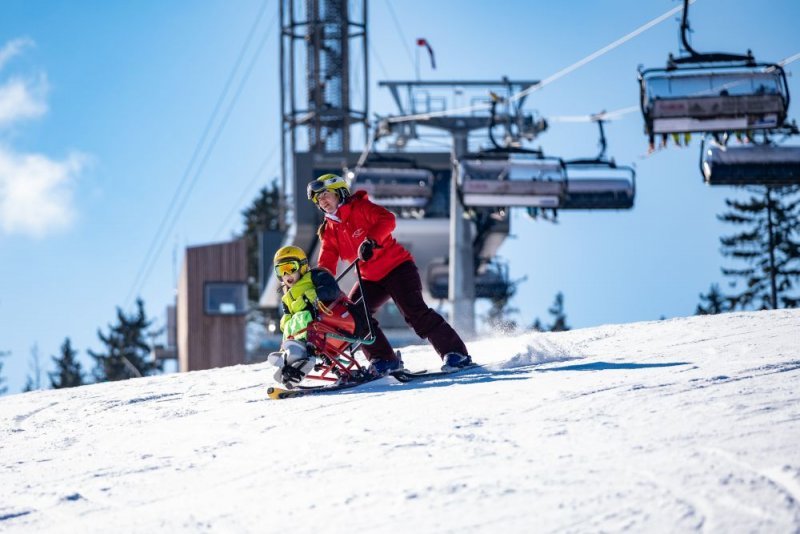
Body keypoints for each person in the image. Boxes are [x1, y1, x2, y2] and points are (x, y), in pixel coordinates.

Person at [307, 173, 472, 374]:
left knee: (414, 313)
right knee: (355, 316)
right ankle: (384, 359)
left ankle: (456, 353)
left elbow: (388, 219)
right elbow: (327, 259)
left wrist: (371, 241)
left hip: (398, 268)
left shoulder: (360, 207)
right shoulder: (329, 229)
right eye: (318, 199)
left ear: (340, 193)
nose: (322, 201)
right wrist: (320, 280)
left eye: (325, 195)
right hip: (370, 278)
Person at [268, 245, 344, 385]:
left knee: (301, 317)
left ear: (302, 266)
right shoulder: (286, 297)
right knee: (286, 322)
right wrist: (284, 342)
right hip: (307, 332)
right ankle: (288, 354)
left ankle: (300, 354)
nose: (286, 274)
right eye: (281, 270)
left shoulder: (315, 276)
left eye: (290, 268)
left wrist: (312, 295)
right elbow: (288, 322)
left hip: (328, 324)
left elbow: (333, 291)